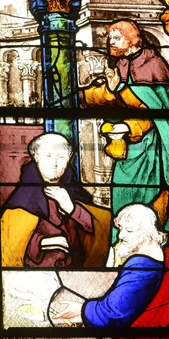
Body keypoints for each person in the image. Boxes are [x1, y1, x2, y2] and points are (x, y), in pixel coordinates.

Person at [51, 204, 169, 339]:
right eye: (120, 229)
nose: (121, 235)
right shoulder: (149, 258)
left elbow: (113, 313)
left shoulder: (143, 266)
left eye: (129, 230)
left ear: (148, 234)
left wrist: (81, 310)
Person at [82, 19, 169, 233]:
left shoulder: (153, 65)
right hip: (125, 150)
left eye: (116, 37)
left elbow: (153, 106)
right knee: (122, 194)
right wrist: (109, 91)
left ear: (131, 39)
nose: (111, 41)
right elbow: (114, 101)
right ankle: (121, 243)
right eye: (110, 37)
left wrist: (119, 89)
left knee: (147, 198)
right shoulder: (119, 64)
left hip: (149, 149)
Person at [1, 133, 110, 267]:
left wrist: (73, 209)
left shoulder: (76, 194)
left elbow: (100, 228)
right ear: (36, 156)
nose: (54, 163)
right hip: (36, 275)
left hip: (76, 274)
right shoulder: (23, 196)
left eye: (61, 157)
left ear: (69, 158)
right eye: (47, 156)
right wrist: (41, 242)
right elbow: (9, 239)